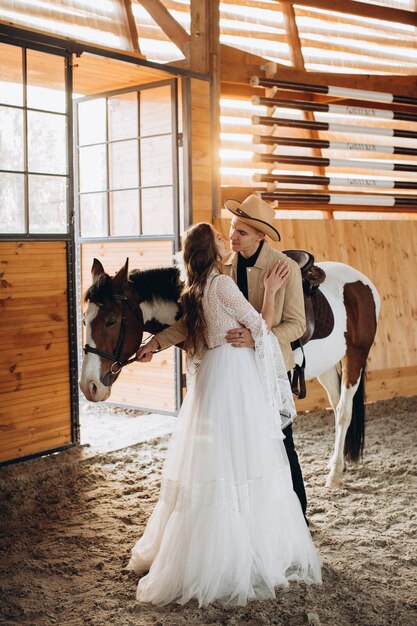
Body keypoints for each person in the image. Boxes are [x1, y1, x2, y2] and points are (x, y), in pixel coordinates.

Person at [126, 222, 321, 607]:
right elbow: (260, 328)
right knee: (250, 457)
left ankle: (203, 544)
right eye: (221, 236)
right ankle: (247, 545)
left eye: (233, 232)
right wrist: (270, 291)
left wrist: (155, 344)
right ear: (213, 251)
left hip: (211, 379)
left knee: (213, 463)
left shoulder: (196, 288)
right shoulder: (224, 285)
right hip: (235, 375)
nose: (226, 239)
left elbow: (188, 326)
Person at [138, 195, 309, 518]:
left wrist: (259, 339)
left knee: (280, 443)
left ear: (260, 236)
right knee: (235, 447)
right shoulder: (221, 269)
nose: (232, 236)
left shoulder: (284, 268)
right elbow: (193, 321)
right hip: (233, 372)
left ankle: (297, 515)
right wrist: (156, 342)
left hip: (268, 366)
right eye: (231, 228)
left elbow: (297, 323)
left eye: (241, 232)